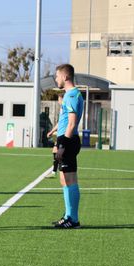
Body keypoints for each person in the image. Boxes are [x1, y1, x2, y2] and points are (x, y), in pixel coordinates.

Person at [53, 64, 84, 229]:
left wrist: (63, 145)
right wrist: (56, 135)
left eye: (57, 76)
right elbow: (65, 120)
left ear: (65, 77)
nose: (56, 79)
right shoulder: (69, 95)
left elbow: (71, 124)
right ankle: (68, 216)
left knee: (70, 179)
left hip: (69, 141)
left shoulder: (71, 95)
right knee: (64, 180)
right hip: (65, 139)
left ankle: (73, 219)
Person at [45, 94, 64, 178]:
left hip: (64, 135)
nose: (58, 101)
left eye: (59, 99)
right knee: (55, 151)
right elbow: (60, 123)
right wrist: (52, 131)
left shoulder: (65, 109)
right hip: (60, 134)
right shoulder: (62, 109)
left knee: (60, 153)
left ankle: (60, 170)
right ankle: (54, 171)